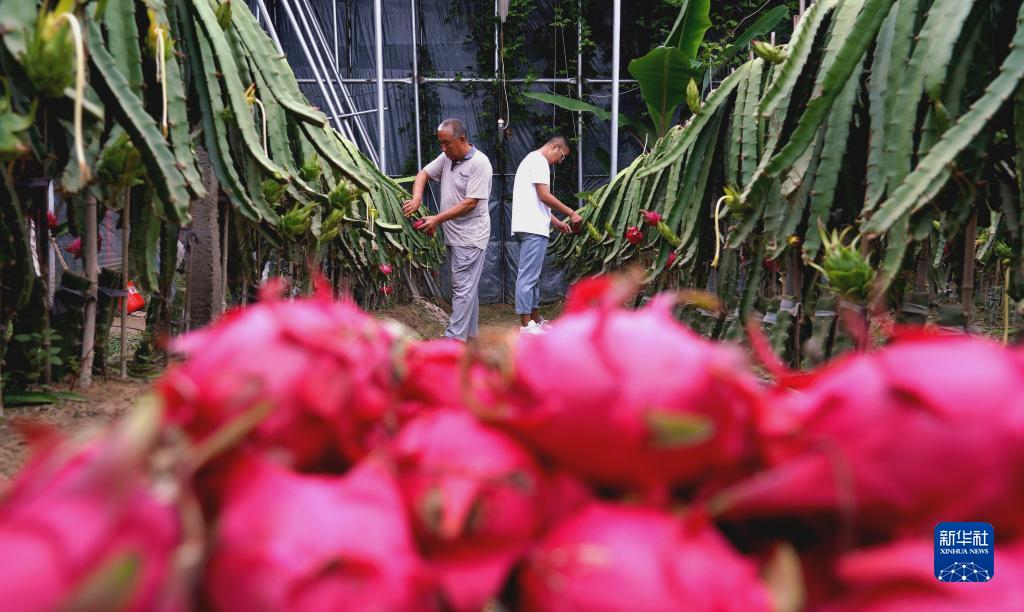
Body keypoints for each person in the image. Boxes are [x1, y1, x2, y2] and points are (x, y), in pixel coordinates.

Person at [402, 118, 493, 342]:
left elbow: (471, 202)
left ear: (462, 139)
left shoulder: (480, 163)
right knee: (466, 287)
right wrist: (416, 198)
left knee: (462, 287)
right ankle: (470, 337)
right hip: (454, 235)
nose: (443, 148)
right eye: (441, 143)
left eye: (447, 143)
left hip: (470, 236)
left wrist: (437, 219)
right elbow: (423, 173)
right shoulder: (447, 158)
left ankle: (453, 341)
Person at [510, 136, 582, 334]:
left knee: (532, 276)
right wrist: (571, 213)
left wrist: (556, 221)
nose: (561, 160)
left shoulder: (531, 160)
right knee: (527, 276)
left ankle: (535, 319)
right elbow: (544, 195)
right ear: (555, 146)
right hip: (532, 227)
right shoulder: (539, 161)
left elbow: (536, 200)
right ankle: (526, 325)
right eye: (562, 155)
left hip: (530, 224)